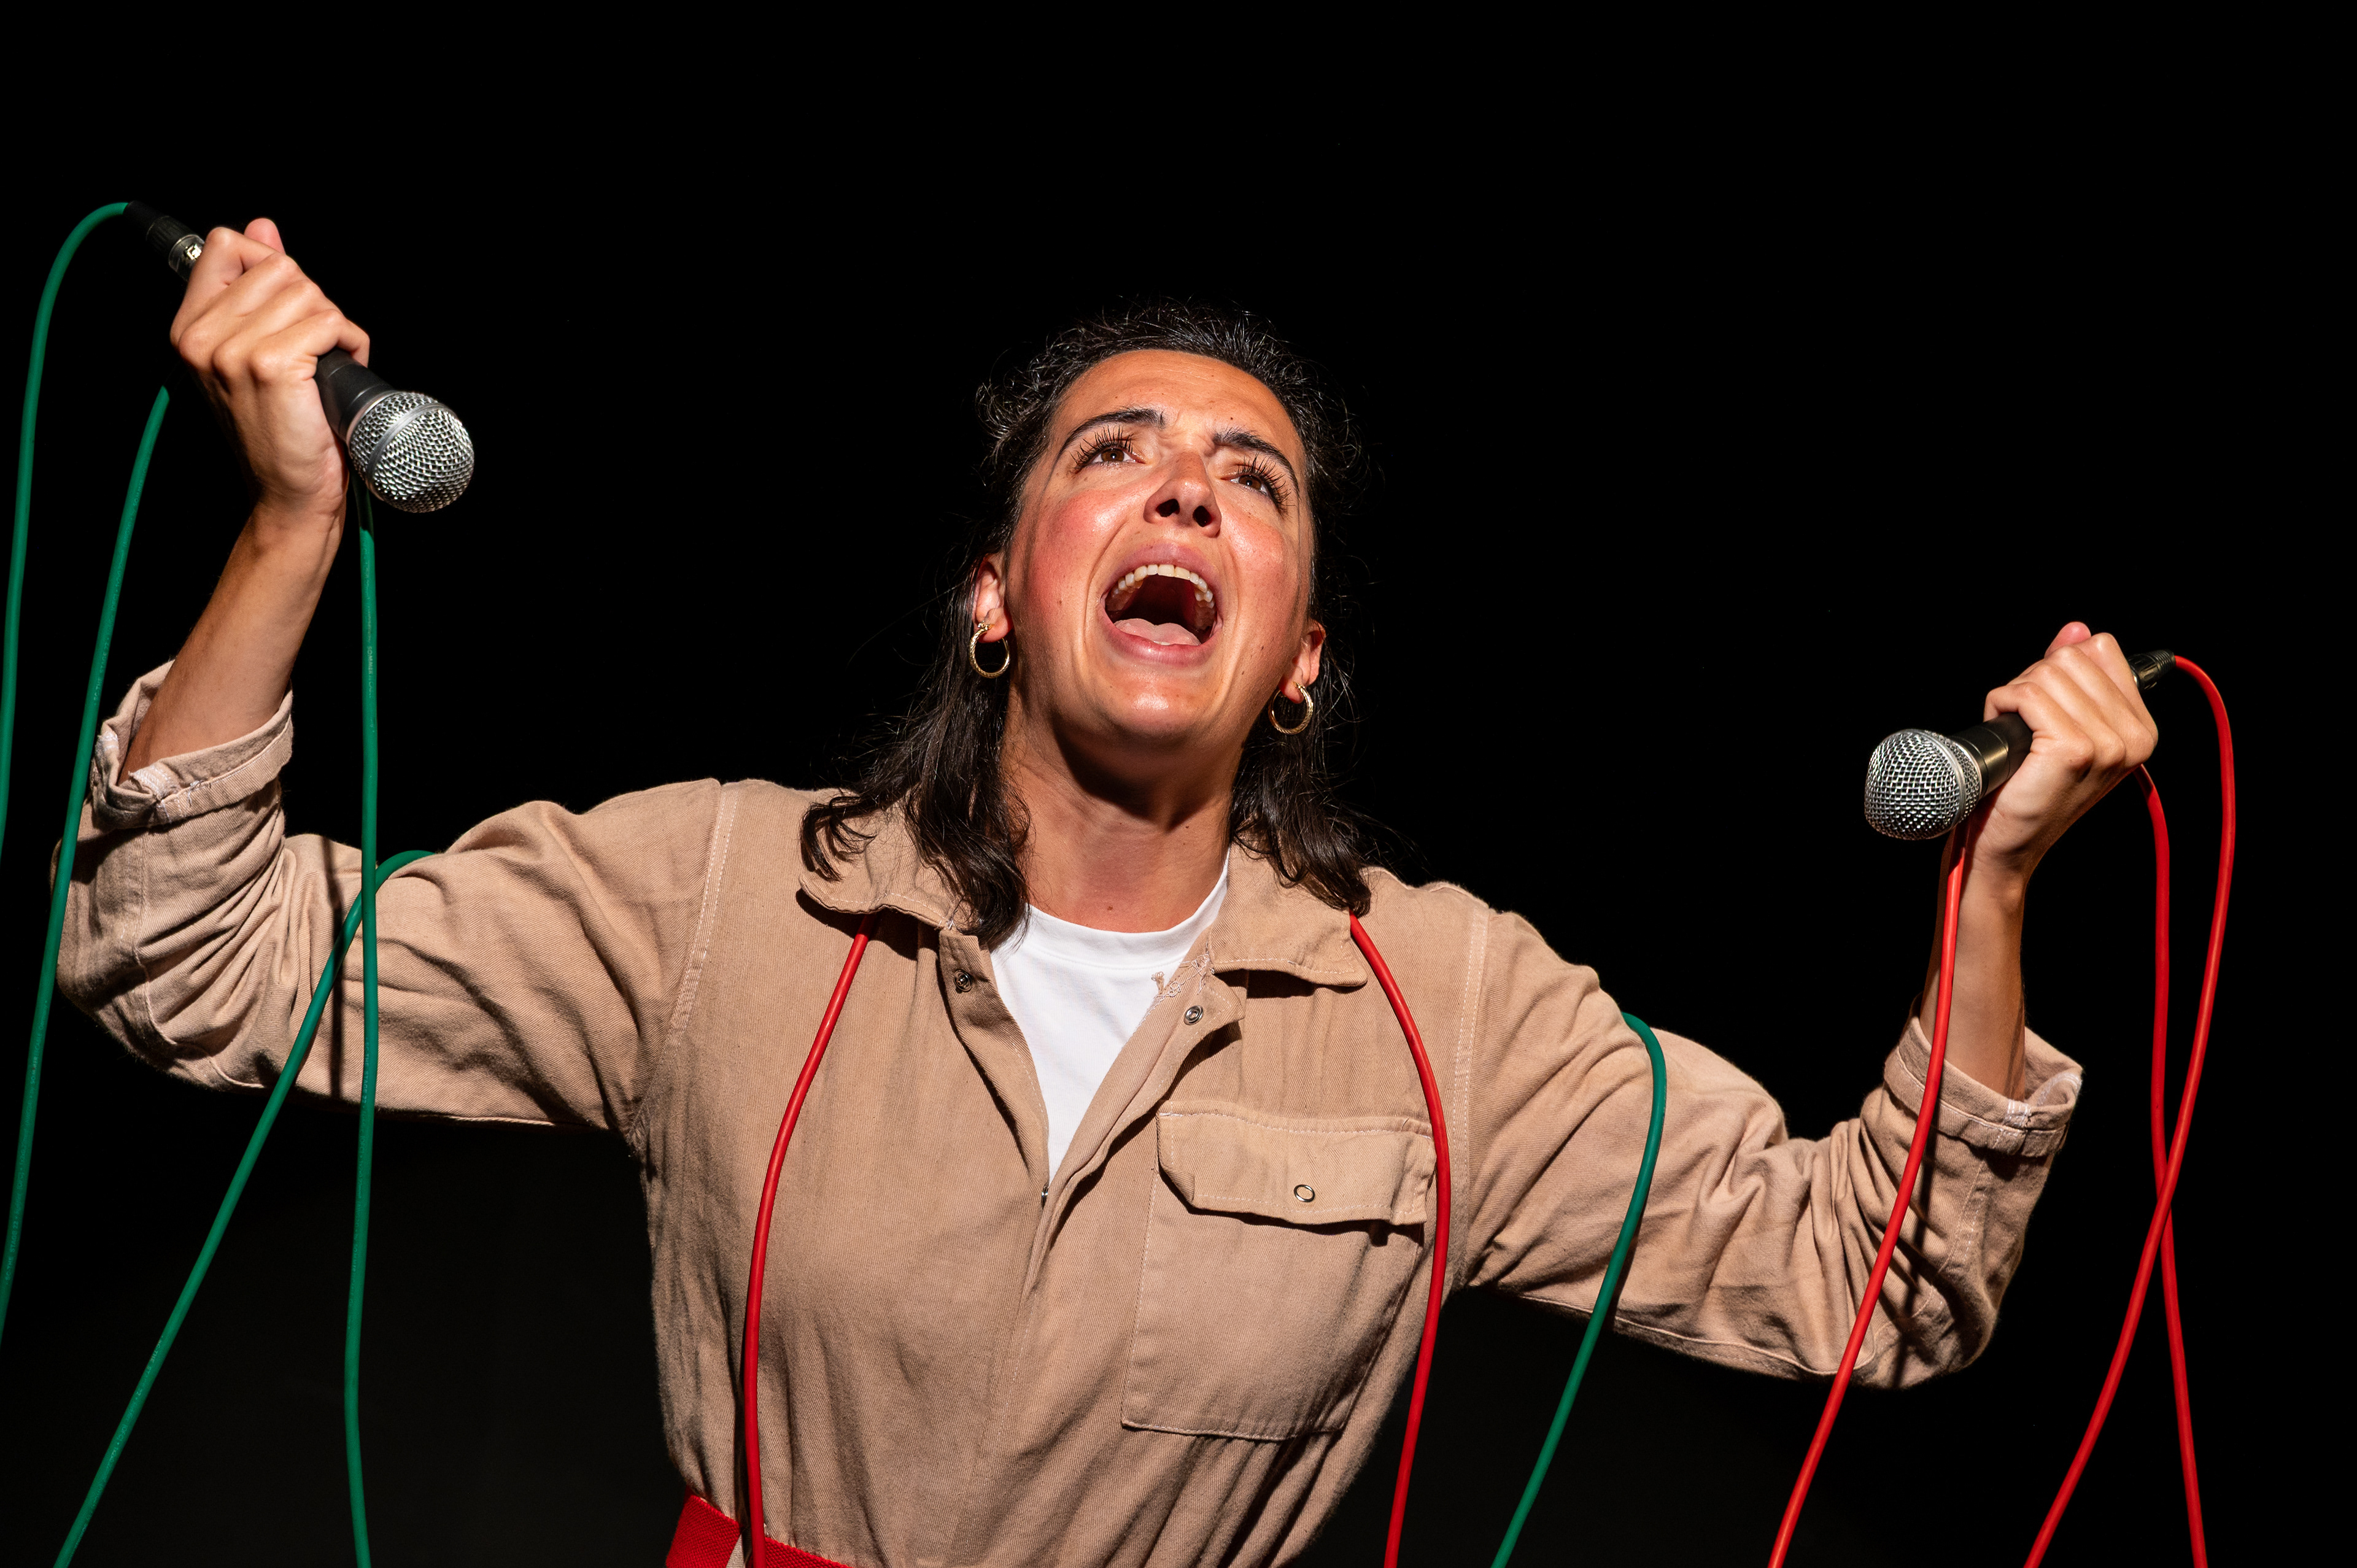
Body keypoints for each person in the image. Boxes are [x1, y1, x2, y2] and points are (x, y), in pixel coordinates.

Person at [60, 220, 2158, 1568]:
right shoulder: (719, 891)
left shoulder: (1451, 1003)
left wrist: (1988, 897)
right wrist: (292, 527)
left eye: (1252, 481)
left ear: (1302, 651)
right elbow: (186, 955)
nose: (1185, 489)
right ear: (998, 593)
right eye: (1115, 452)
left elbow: (1873, 1282)